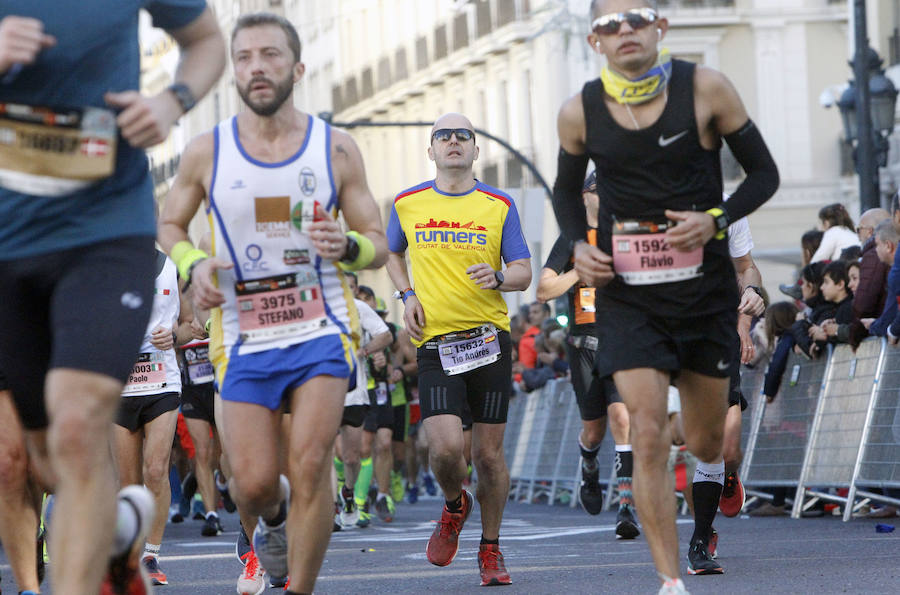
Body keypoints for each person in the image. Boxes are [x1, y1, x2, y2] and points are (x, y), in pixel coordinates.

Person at [551, 1, 779, 591]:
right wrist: (578, 245)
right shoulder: (579, 111)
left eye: (636, 17)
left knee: (705, 440)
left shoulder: (706, 88)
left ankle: (696, 446)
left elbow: (764, 175)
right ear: (594, 40)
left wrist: (716, 219)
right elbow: (565, 191)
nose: (623, 30)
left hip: (702, 295)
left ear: (660, 27)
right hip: (630, 296)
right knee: (646, 430)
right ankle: (669, 580)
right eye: (609, 24)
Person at [158, 12, 387, 594]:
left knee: (310, 464)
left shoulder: (334, 149)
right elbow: (170, 225)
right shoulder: (207, 152)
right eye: (244, 57)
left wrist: (350, 244)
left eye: (270, 55)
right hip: (242, 334)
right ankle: (276, 519)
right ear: (232, 69)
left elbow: (378, 246)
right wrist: (194, 265)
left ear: (297, 67)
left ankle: (299, 589)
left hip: (321, 327)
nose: (257, 67)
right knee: (252, 485)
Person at [0, 3, 224, 593]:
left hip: (106, 230)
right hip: (10, 238)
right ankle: (120, 530)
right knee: (39, 462)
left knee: (77, 430)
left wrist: (171, 101)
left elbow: (206, 40)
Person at [385, 112, 532, 586]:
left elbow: (524, 271)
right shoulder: (407, 203)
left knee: (488, 457)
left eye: (462, 136)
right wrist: (407, 296)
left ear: (474, 149)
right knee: (446, 449)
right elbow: (392, 253)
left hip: (489, 342)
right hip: (434, 344)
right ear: (430, 150)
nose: (453, 141)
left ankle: (490, 550)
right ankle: (454, 505)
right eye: (442, 136)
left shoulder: (498, 204)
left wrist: (500, 277)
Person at [536, 171, 637, 539]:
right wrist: (579, 272)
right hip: (584, 347)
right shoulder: (572, 240)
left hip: (620, 340)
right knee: (594, 431)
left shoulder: (625, 235)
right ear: (585, 196)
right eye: (602, 189)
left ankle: (626, 507)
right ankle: (589, 462)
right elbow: (543, 290)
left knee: (622, 419)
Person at [112, 250, 188, 586]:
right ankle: (129, 556)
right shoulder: (103, 265)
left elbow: (193, 326)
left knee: (155, 469)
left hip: (163, 382)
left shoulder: (174, 268)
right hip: (119, 387)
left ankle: (152, 554)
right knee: (128, 484)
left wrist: (174, 336)